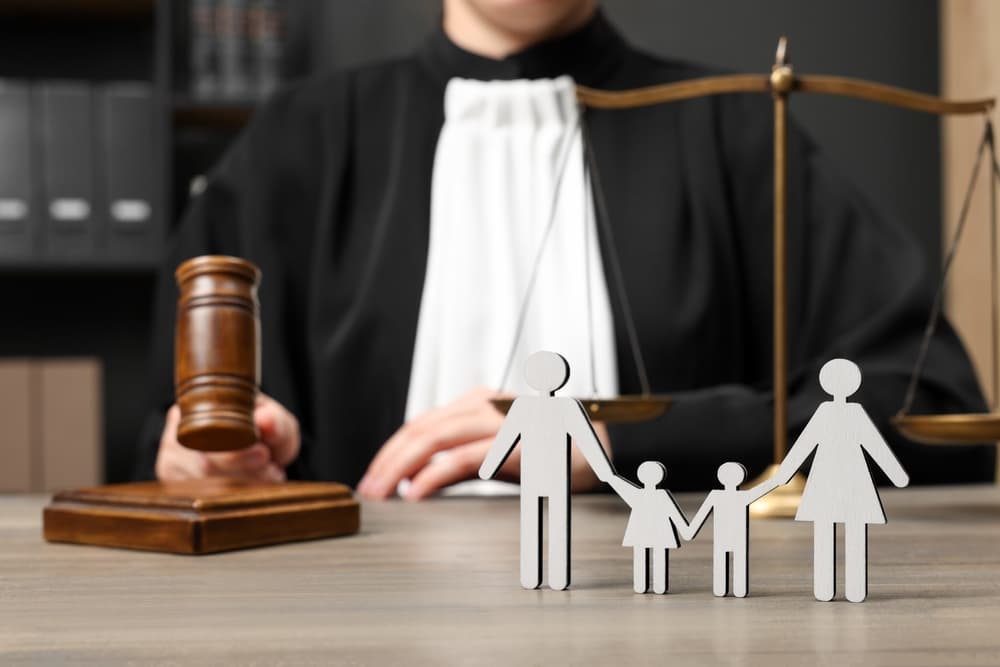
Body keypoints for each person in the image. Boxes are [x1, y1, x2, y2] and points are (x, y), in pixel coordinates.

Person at [140, 0, 994, 498]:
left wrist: (623, 440)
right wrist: (210, 456)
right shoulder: (301, 140)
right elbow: (159, 429)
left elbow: (938, 415)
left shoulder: (733, 127)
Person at [773, 358, 910, 603]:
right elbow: (874, 447)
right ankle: (842, 588)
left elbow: (873, 445)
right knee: (846, 530)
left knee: (833, 530)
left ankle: (832, 587)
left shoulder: (834, 413)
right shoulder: (841, 413)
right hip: (845, 479)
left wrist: (785, 473)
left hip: (834, 480)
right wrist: (896, 476)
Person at [479, 351, 613, 590]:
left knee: (544, 524)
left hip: (550, 476)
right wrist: (605, 471)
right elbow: (506, 440)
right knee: (544, 523)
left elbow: (587, 441)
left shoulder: (557, 407)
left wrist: (489, 469)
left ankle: (548, 576)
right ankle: (542, 576)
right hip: (543, 476)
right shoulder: (554, 407)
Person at [681, 462, 776, 598]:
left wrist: (690, 530)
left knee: (724, 560)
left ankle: (724, 589)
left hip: (725, 537)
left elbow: (701, 515)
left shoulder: (719, 496)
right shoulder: (741, 496)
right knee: (737, 561)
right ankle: (737, 589)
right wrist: (777, 481)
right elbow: (762, 489)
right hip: (734, 537)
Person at [607, 462, 689, 595]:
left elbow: (618, 485)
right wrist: (687, 530)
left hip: (644, 532)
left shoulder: (640, 494)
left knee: (644, 556)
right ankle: (656, 586)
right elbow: (675, 515)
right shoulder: (656, 495)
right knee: (655, 556)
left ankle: (645, 585)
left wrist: (610, 477)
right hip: (657, 533)